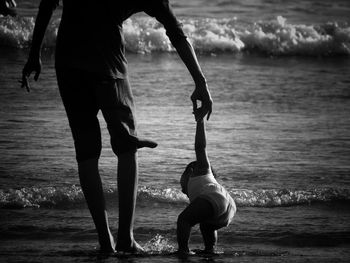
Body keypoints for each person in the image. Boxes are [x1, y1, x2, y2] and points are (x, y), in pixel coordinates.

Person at [21, 0, 213, 254]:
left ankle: (105, 241)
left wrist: (34, 52)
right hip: (107, 66)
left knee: (87, 153)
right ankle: (125, 238)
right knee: (126, 148)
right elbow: (176, 33)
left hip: (69, 64)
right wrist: (200, 81)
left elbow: (47, 3)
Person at [177, 110, 236, 255]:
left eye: (181, 181)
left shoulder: (200, 170)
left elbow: (200, 147)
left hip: (215, 197)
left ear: (190, 170)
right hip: (229, 207)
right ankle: (210, 250)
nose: (181, 188)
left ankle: (183, 251)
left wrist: (200, 121)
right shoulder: (202, 187)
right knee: (207, 226)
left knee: (184, 220)